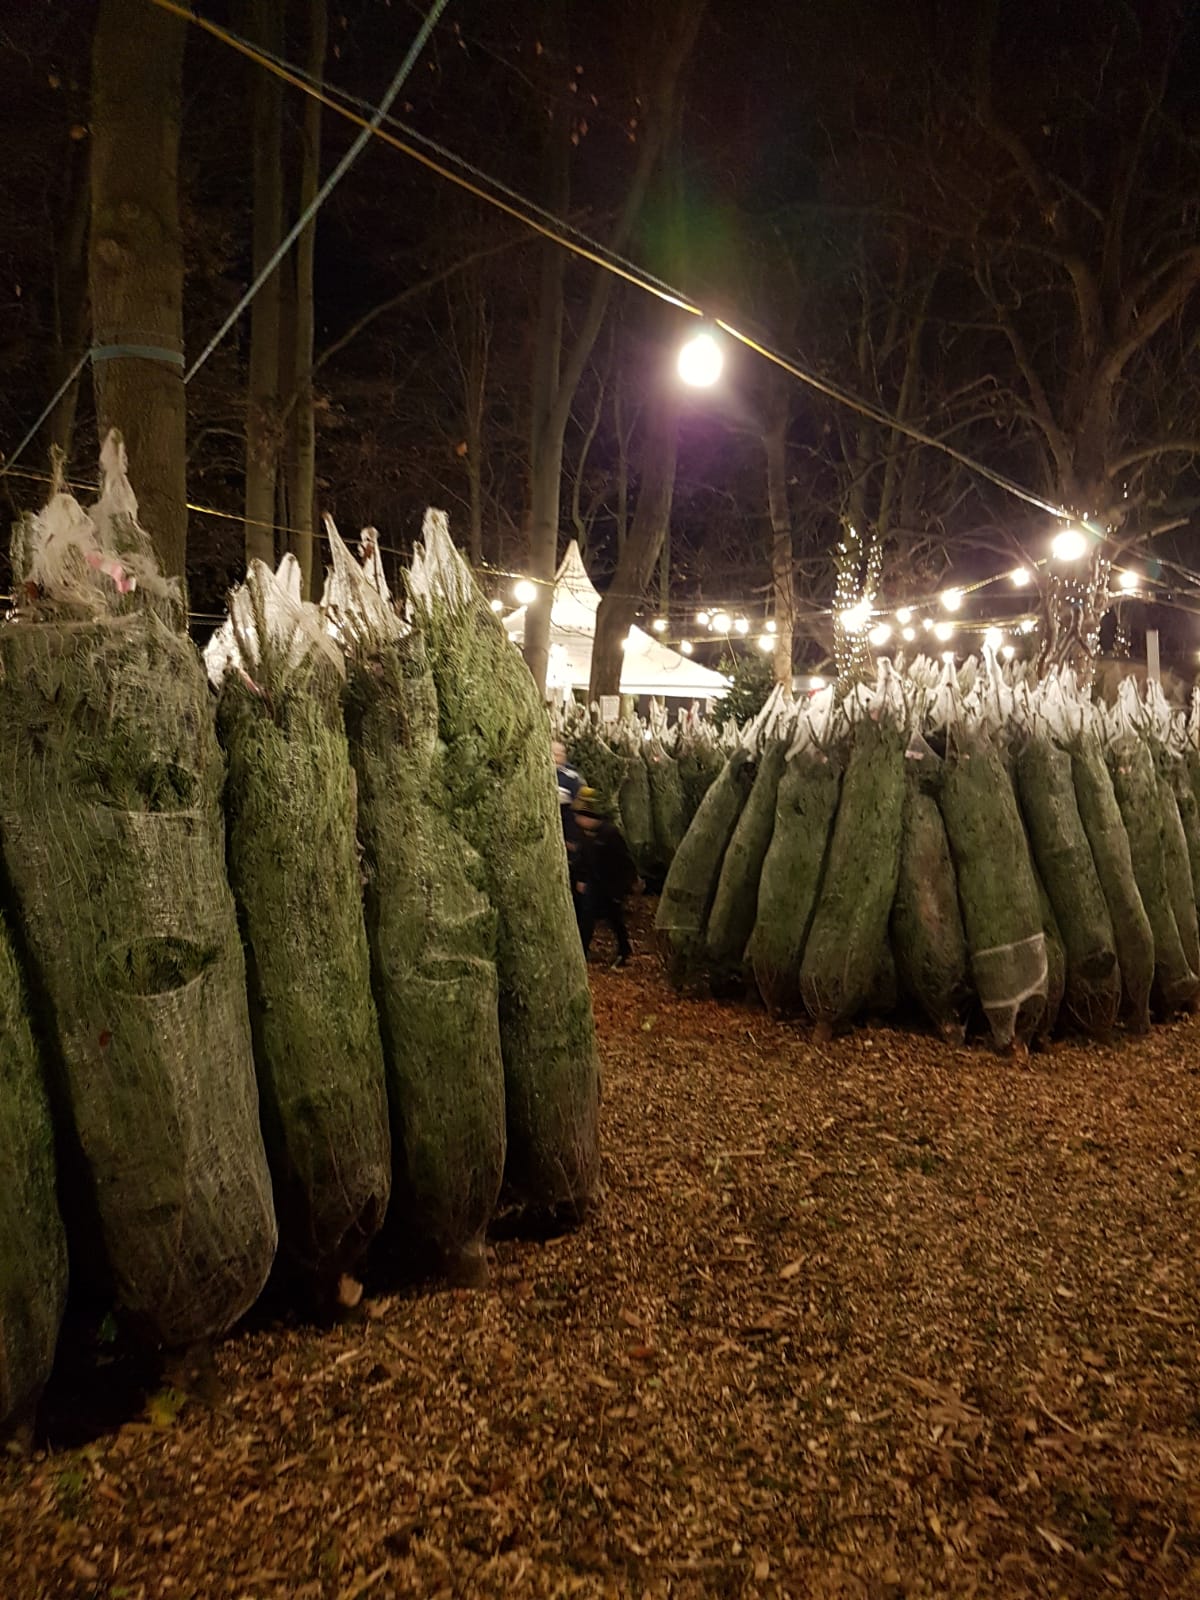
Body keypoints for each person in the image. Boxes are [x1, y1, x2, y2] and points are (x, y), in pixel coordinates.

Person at [572, 787, 636, 967]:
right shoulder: (585, 835)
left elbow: (623, 861)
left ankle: (624, 950)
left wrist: (622, 887)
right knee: (587, 916)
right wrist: (581, 878)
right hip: (595, 883)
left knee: (615, 918)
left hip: (611, 884)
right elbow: (583, 859)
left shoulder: (609, 834)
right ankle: (581, 952)